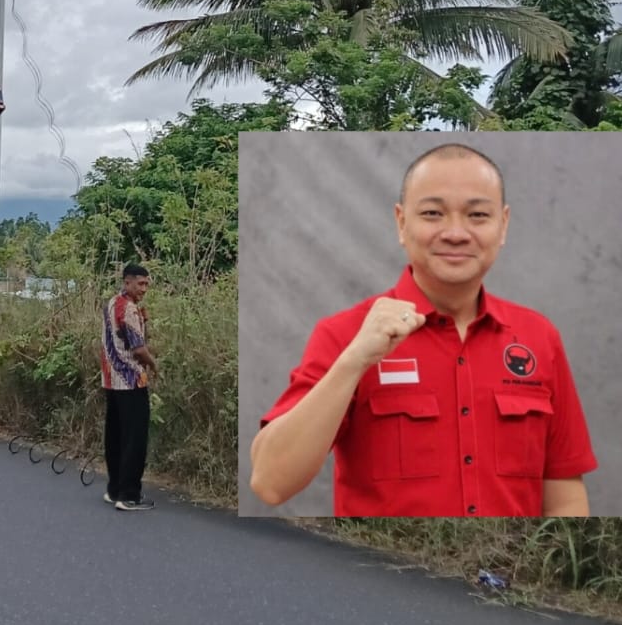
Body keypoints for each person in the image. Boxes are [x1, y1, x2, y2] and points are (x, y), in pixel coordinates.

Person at [249, 143, 598, 518]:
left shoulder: (538, 337)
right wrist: (354, 362)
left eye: (478, 215)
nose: (455, 233)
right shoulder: (346, 335)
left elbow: (563, 488)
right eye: (432, 213)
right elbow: (271, 482)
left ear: (503, 224)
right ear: (401, 222)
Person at [100, 264, 159, 511]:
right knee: (134, 439)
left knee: (115, 436)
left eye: (146, 284)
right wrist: (155, 365)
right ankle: (129, 495)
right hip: (131, 380)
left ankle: (114, 489)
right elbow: (138, 349)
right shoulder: (130, 310)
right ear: (127, 282)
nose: (143, 289)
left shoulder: (111, 303)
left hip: (111, 380)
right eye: (140, 284)